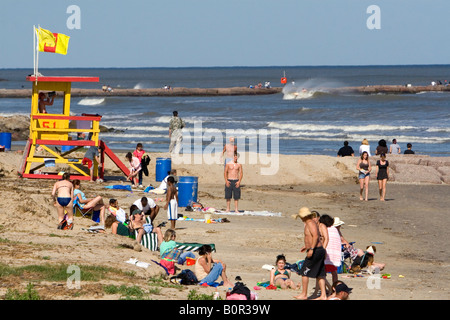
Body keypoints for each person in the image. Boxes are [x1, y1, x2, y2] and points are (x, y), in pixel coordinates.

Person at [292, 207, 327, 300]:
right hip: (317, 249)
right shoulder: (309, 223)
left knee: (304, 272)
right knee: (320, 273)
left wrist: (311, 249)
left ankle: (304, 294)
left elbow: (315, 236)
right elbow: (310, 237)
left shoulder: (310, 223)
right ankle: (323, 295)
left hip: (316, 250)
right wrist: (307, 246)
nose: (300, 218)